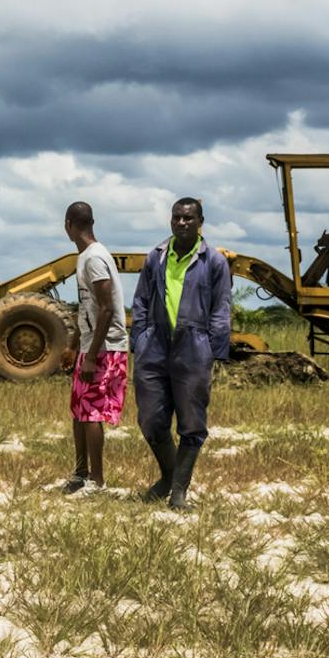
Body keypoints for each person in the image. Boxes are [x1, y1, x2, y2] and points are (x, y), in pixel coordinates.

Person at [128, 197, 232, 509]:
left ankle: (177, 492)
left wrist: (214, 352)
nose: (182, 223)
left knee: (191, 422)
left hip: (194, 345)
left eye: (188, 218)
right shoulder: (156, 257)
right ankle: (169, 475)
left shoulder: (214, 262)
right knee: (150, 418)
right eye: (177, 218)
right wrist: (140, 339)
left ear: (201, 222)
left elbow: (221, 309)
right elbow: (141, 301)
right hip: (155, 345)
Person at [61, 201, 128, 495]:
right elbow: (87, 308)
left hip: (106, 347)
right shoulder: (86, 256)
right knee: (78, 410)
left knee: (92, 413)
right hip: (91, 346)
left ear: (68, 225)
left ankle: (97, 482)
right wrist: (74, 345)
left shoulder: (95, 259)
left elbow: (105, 310)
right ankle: (80, 473)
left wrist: (91, 357)